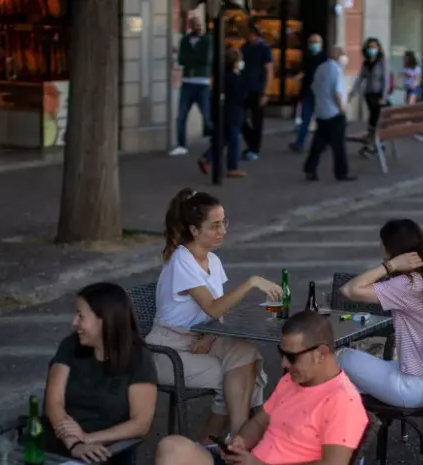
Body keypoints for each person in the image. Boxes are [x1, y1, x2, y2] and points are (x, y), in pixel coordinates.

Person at [145, 188, 282, 442]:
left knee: (246, 353)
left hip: (197, 340)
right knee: (235, 376)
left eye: (224, 223)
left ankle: (236, 440)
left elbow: (219, 309)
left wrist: (209, 334)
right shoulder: (181, 261)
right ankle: (220, 443)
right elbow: (214, 307)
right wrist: (251, 282)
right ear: (195, 230)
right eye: (215, 226)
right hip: (168, 350)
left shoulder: (212, 261)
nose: (223, 231)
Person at [153, 312, 369, 465]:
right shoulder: (292, 380)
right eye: (281, 353)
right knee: (171, 448)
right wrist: (241, 442)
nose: (284, 364)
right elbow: (259, 421)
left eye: (292, 357)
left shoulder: (343, 401)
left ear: (321, 353)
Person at [338, 219, 423, 408]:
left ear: (392, 249)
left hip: (415, 387)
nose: (380, 247)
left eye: (382, 243)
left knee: (340, 357)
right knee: (347, 381)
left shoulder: (409, 284)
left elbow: (349, 290)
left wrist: (390, 266)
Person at [45, 282, 158, 465]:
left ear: (104, 319)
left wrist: (87, 439)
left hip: (105, 452)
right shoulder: (71, 346)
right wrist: (74, 443)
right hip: (58, 445)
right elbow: (53, 403)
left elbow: (141, 423)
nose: (74, 323)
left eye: (80, 316)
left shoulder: (138, 358)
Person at [303, 45, 358, 182]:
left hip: (322, 112)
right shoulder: (336, 70)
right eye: (342, 53)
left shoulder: (321, 68)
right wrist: (342, 109)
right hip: (334, 113)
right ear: (337, 55)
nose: (344, 57)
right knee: (338, 145)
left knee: (318, 143)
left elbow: (314, 88)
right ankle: (341, 173)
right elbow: (337, 93)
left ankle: (310, 168)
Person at [197, 48, 248, 178]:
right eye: (239, 60)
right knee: (234, 139)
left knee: (222, 139)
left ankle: (207, 158)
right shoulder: (235, 77)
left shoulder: (221, 75)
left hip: (222, 111)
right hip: (234, 111)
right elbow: (242, 95)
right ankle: (232, 167)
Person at [170, 16, 212, 157]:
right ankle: (181, 145)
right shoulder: (185, 40)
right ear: (190, 26)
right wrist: (194, 58)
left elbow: (206, 60)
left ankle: (216, 140)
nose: (198, 27)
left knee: (207, 116)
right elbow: (181, 59)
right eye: (195, 25)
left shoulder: (208, 40)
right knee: (181, 116)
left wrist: (191, 58)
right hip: (187, 82)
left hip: (202, 83)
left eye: (200, 24)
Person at [239, 24, 274, 161]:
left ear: (256, 34)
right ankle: (251, 142)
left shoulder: (264, 49)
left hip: (258, 89)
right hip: (244, 89)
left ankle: (255, 149)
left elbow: (269, 70)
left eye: (250, 33)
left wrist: (266, 92)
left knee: (257, 121)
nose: (248, 36)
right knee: (240, 117)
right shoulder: (244, 48)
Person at [289, 34, 327, 153]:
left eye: (315, 42)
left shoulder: (324, 59)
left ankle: (323, 143)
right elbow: (305, 72)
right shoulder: (308, 58)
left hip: (320, 92)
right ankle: (300, 143)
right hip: (308, 92)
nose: (313, 45)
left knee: (322, 120)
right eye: (311, 42)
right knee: (305, 119)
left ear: (321, 44)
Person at [350, 38, 391, 132]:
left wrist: (384, 97)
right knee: (372, 116)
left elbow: (386, 80)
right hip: (369, 94)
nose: (371, 49)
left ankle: (376, 141)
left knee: (376, 118)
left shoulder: (382, 62)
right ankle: (372, 141)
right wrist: (354, 91)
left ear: (378, 48)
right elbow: (360, 78)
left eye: (374, 47)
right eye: (370, 47)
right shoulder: (366, 63)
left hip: (379, 94)